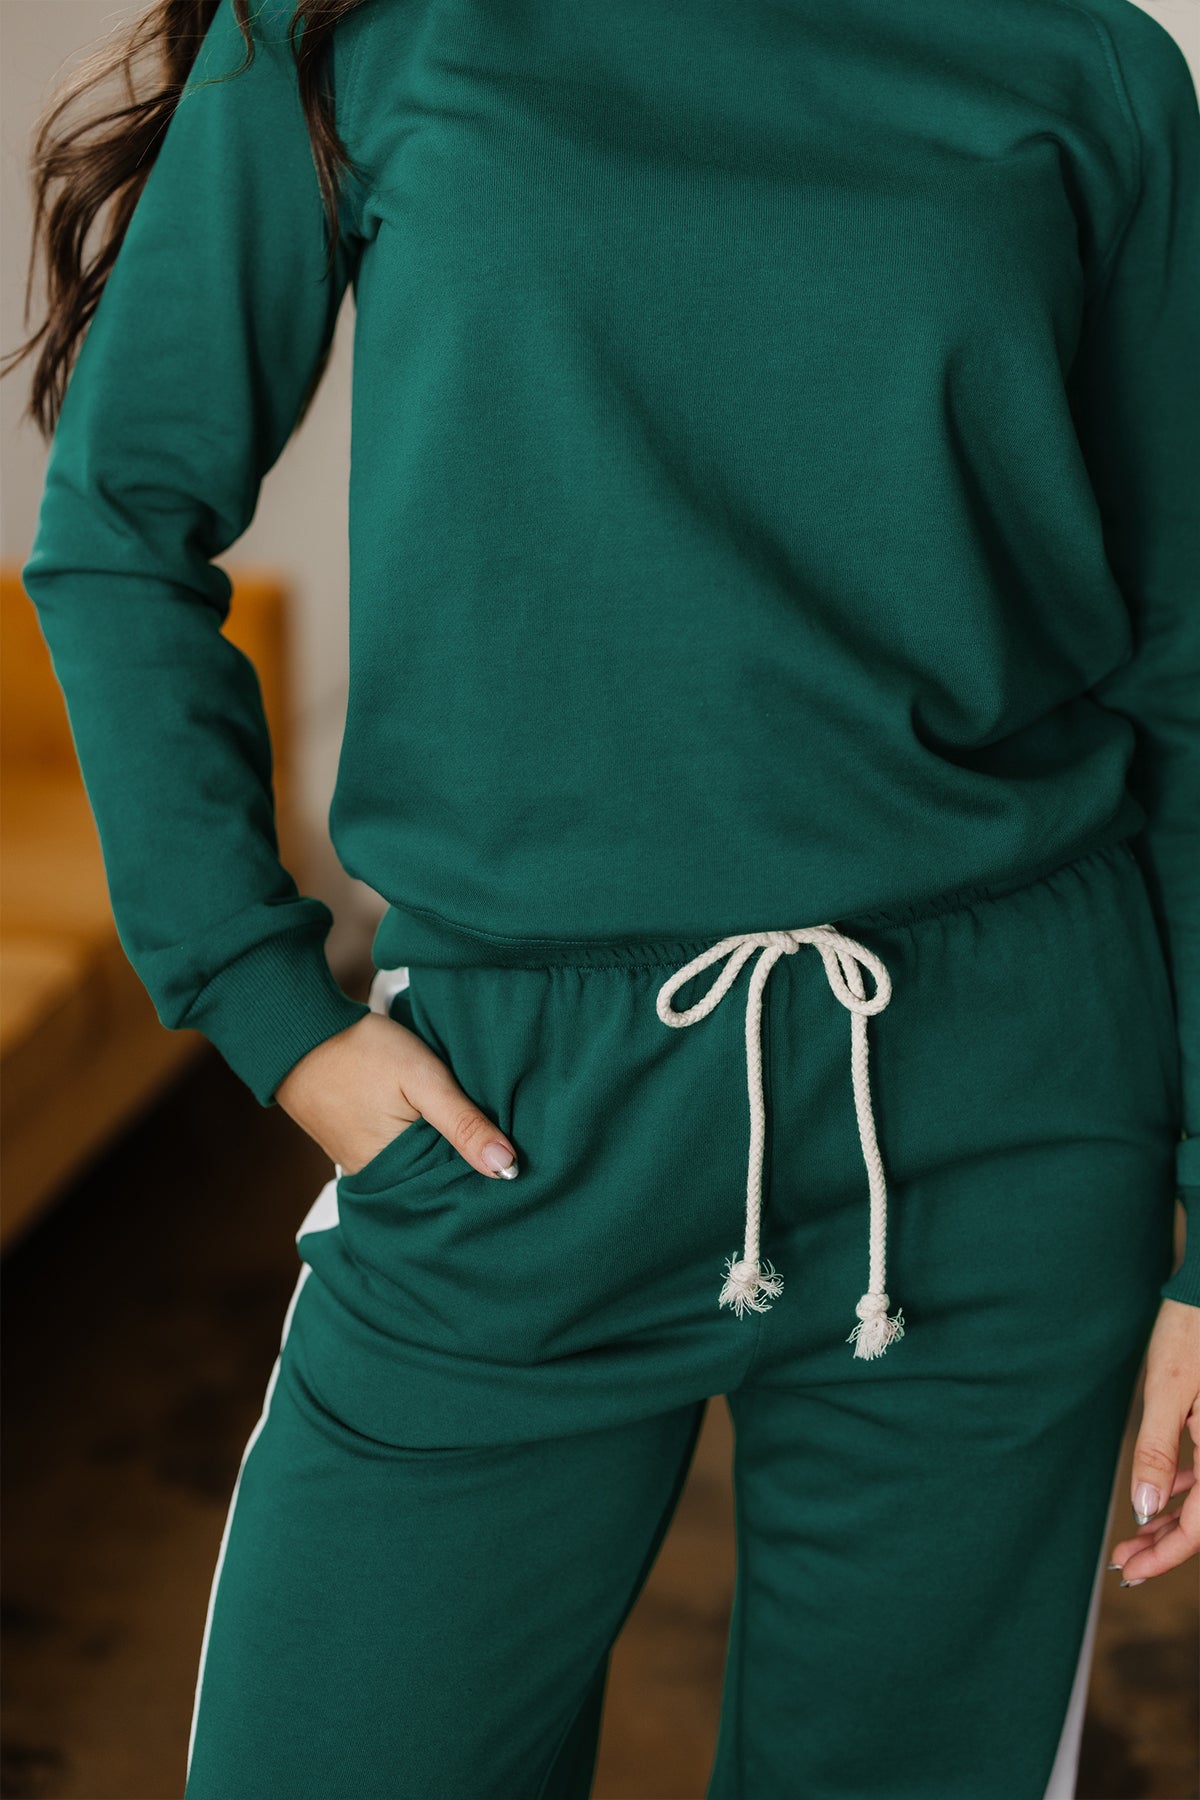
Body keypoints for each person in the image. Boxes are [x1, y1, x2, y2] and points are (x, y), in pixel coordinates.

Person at [6, 0, 1199, 1793]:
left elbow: (1185, 660)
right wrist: (267, 1005)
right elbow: (118, 523)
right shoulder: (357, 31)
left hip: (1001, 1123)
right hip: (516, 1115)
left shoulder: (1084, 64)